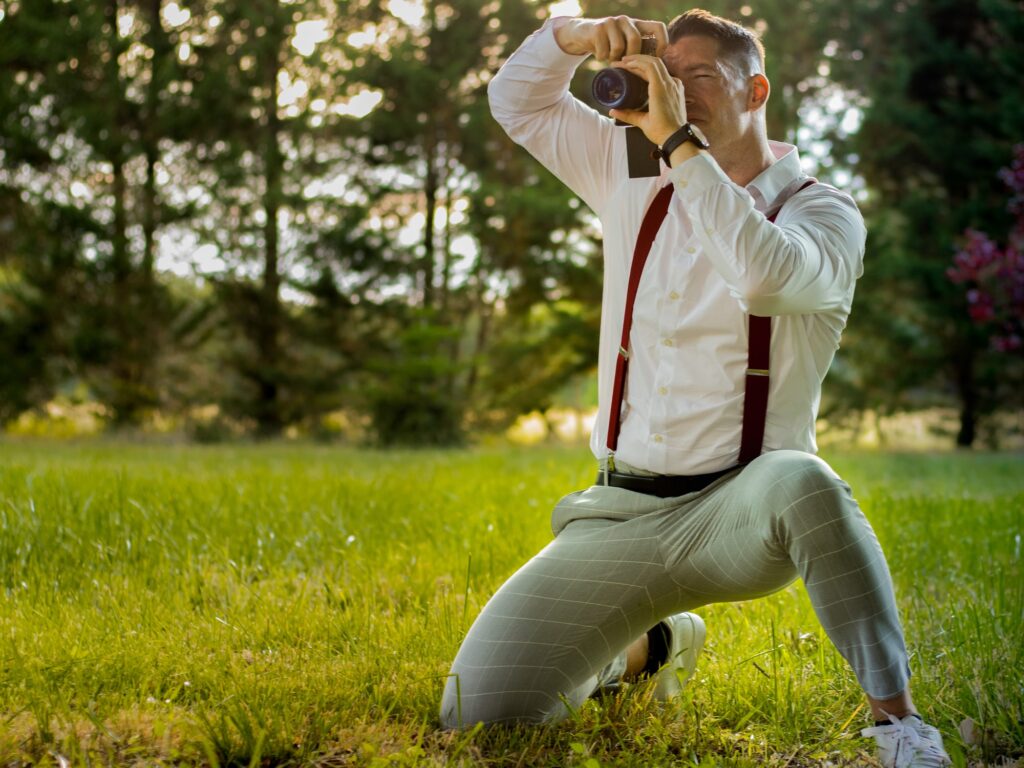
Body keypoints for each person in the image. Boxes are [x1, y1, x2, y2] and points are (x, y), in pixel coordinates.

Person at [439, 10, 951, 767]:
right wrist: (576, 35)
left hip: (740, 510)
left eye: (702, 77)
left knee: (805, 480)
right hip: (618, 511)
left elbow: (763, 277)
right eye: (668, 78)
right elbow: (517, 102)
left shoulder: (823, 211)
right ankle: (654, 645)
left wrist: (678, 144)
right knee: (481, 715)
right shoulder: (628, 171)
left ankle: (898, 724)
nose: (678, 94)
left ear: (758, 89)